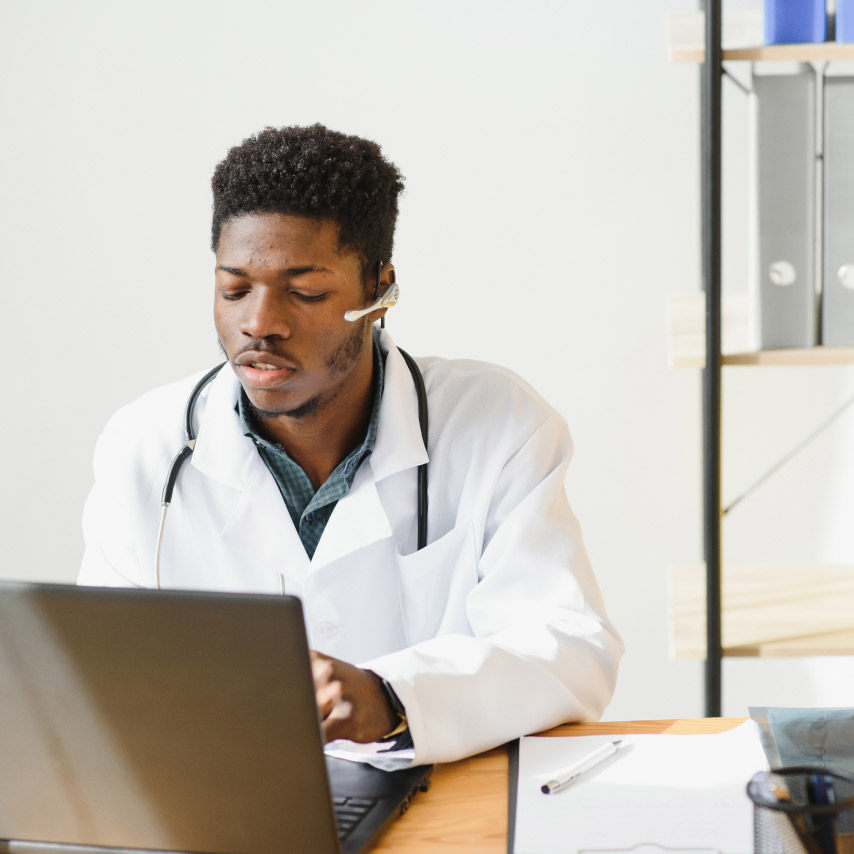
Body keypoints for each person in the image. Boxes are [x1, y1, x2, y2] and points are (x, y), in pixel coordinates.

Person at [79, 124, 623, 765]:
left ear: (379, 291)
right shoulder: (147, 444)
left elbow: (569, 647)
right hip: (227, 801)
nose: (259, 324)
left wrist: (390, 698)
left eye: (305, 293)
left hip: (435, 797)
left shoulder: (496, 424)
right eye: (234, 289)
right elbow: (101, 677)